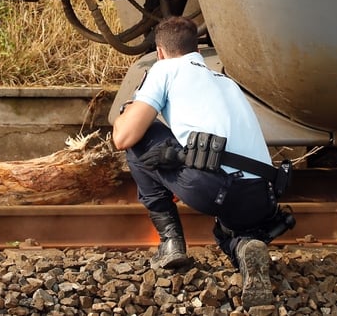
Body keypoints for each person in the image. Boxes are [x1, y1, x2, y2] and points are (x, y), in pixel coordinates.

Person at [112, 16, 294, 309]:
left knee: (140, 139)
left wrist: (126, 111)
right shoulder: (225, 81)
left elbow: (123, 137)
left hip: (215, 189)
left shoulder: (165, 69)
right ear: (196, 48)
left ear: (160, 52)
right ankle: (246, 247)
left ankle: (171, 243)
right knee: (227, 232)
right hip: (264, 195)